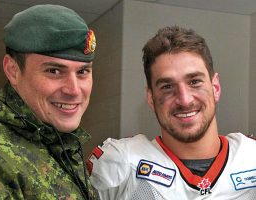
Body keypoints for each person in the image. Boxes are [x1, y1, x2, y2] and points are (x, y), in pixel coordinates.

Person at [87, 26, 256, 199]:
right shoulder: (120, 163)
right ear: (151, 98)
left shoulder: (252, 157)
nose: (184, 100)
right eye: (167, 87)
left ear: (216, 87)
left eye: (195, 82)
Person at [0, 4, 98, 199]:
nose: (73, 90)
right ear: (13, 70)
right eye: (54, 71)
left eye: (82, 72)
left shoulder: (58, 144)